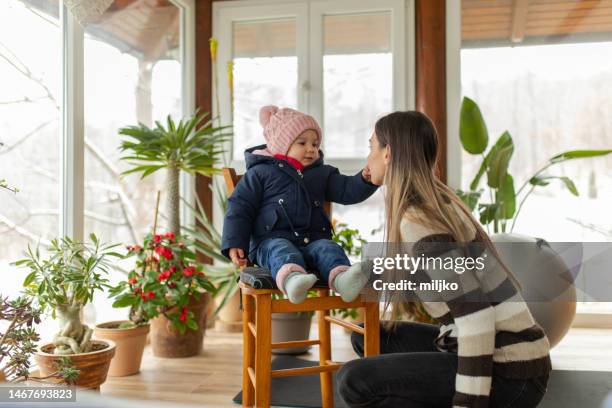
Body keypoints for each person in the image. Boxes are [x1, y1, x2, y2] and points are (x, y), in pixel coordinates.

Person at [337, 111, 552, 408]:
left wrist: (468, 402)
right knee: (368, 337)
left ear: (388, 153)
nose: (368, 158)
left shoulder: (420, 220)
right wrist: (359, 273)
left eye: (371, 147)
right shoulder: (434, 202)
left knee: (353, 380)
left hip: (510, 374)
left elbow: (477, 317)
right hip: (493, 348)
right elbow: (431, 273)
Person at [221, 105, 377, 303]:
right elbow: (240, 207)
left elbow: (348, 190)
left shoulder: (322, 174)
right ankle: (292, 281)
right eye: (302, 143)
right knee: (281, 249)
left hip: (312, 242)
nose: (311, 149)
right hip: (270, 242)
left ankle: (342, 280)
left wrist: (365, 180)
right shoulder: (260, 173)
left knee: (329, 248)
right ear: (282, 144)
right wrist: (234, 242)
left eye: (315, 144)